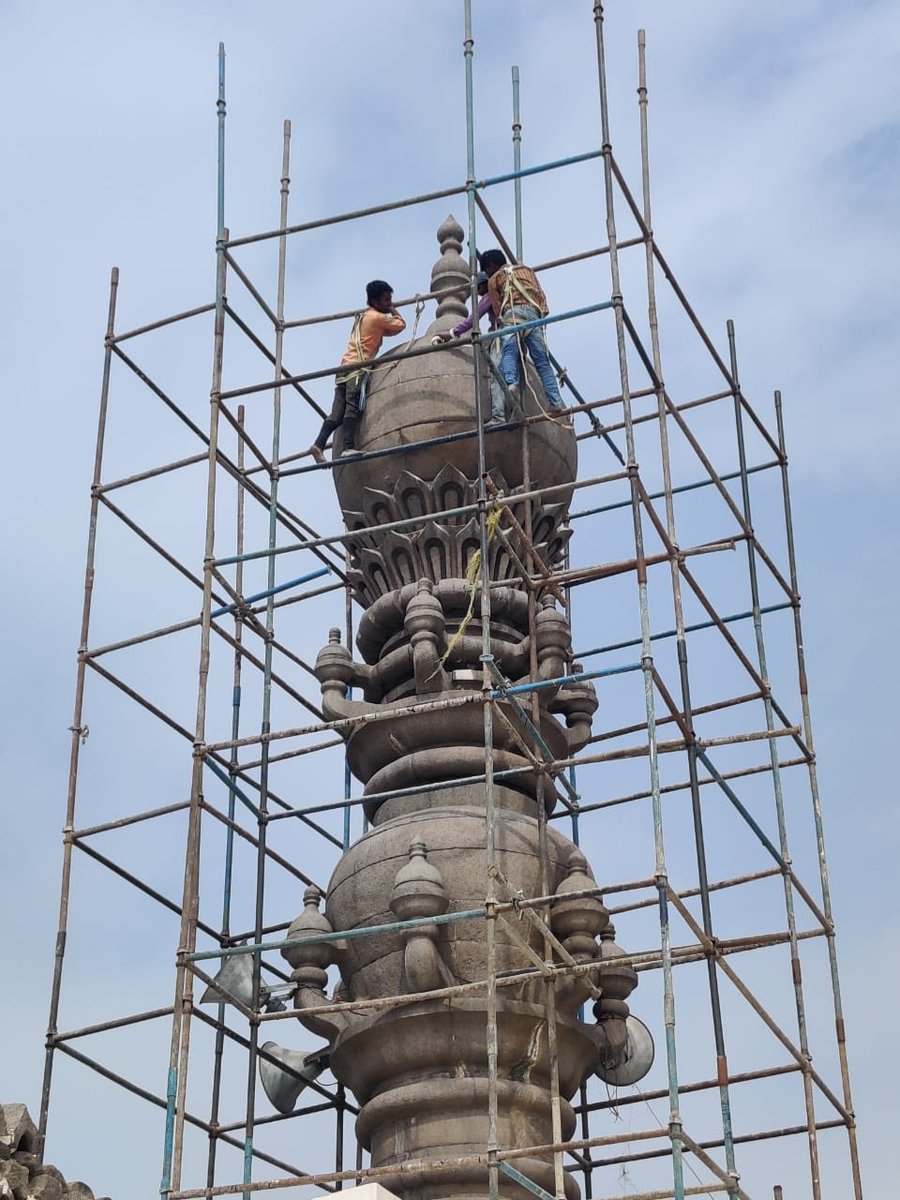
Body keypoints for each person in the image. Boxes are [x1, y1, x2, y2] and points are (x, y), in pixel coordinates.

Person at [308, 280, 407, 463]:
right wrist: (393, 309)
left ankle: (319, 444)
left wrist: (388, 309)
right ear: (375, 302)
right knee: (353, 407)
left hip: (343, 368)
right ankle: (347, 448)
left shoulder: (363, 317)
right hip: (357, 369)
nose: (389, 303)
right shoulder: (377, 318)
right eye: (386, 300)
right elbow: (400, 325)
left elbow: (387, 332)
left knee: (336, 414)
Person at [479, 249, 566, 417]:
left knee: (509, 352)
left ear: (491, 266)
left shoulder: (494, 279)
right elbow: (542, 298)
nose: (487, 274)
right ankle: (555, 402)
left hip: (513, 315)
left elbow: (498, 310)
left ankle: (512, 386)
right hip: (535, 316)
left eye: (486, 270)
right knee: (542, 361)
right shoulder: (527, 270)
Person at [432, 272, 509, 424]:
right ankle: (513, 408)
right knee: (511, 375)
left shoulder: (489, 296)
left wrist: (452, 333)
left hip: (501, 336)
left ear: (482, 286)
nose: (478, 294)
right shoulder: (504, 295)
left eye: (478, 289)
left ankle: (499, 416)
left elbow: (473, 320)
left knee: (497, 374)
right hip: (515, 333)